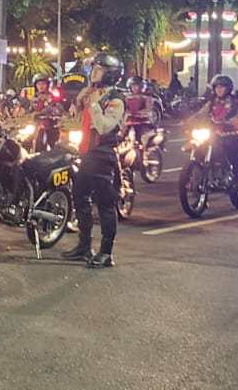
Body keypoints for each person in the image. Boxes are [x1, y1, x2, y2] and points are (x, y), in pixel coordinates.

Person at [63, 52, 126, 269]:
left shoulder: (115, 99)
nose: (93, 73)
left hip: (103, 155)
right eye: (93, 69)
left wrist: (94, 104)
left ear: (109, 74)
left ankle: (106, 253)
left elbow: (104, 126)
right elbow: (75, 114)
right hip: (87, 154)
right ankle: (84, 245)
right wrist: (80, 99)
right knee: (80, 197)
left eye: (98, 70)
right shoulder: (91, 93)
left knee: (105, 204)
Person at [29, 71, 64, 151]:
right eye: (39, 84)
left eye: (43, 84)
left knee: (55, 146)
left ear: (47, 85)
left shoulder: (53, 97)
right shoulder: (34, 99)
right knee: (26, 141)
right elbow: (29, 110)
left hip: (51, 125)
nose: (41, 86)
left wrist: (50, 111)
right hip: (37, 126)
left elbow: (58, 108)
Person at [124, 76, 158, 149]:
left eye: (136, 86)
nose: (134, 88)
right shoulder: (127, 98)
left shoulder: (146, 97)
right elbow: (126, 110)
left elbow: (148, 109)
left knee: (144, 139)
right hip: (130, 123)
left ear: (141, 86)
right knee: (129, 139)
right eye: (132, 86)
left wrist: (138, 113)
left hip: (144, 123)